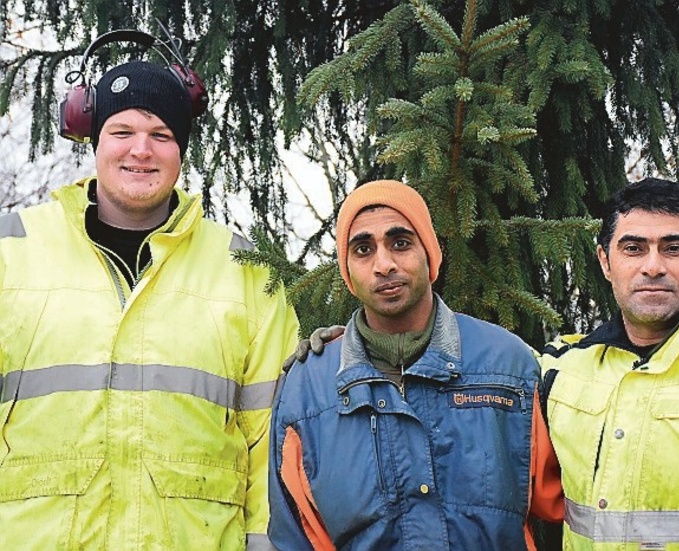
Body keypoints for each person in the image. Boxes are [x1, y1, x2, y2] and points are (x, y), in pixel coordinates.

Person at [0, 57, 298, 549]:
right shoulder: (12, 250)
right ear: (92, 138)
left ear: (181, 150)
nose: (141, 150)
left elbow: (275, 436)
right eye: (122, 131)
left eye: (161, 134)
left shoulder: (244, 269)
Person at [268, 179, 563, 550]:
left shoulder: (507, 364)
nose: (384, 264)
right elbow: (295, 538)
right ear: (347, 272)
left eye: (401, 242)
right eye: (363, 249)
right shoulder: (308, 388)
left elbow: (567, 512)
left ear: (430, 254)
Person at [539, 178, 679, 549]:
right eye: (633, 248)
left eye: (673, 248)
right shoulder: (560, 370)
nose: (653, 266)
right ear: (605, 262)